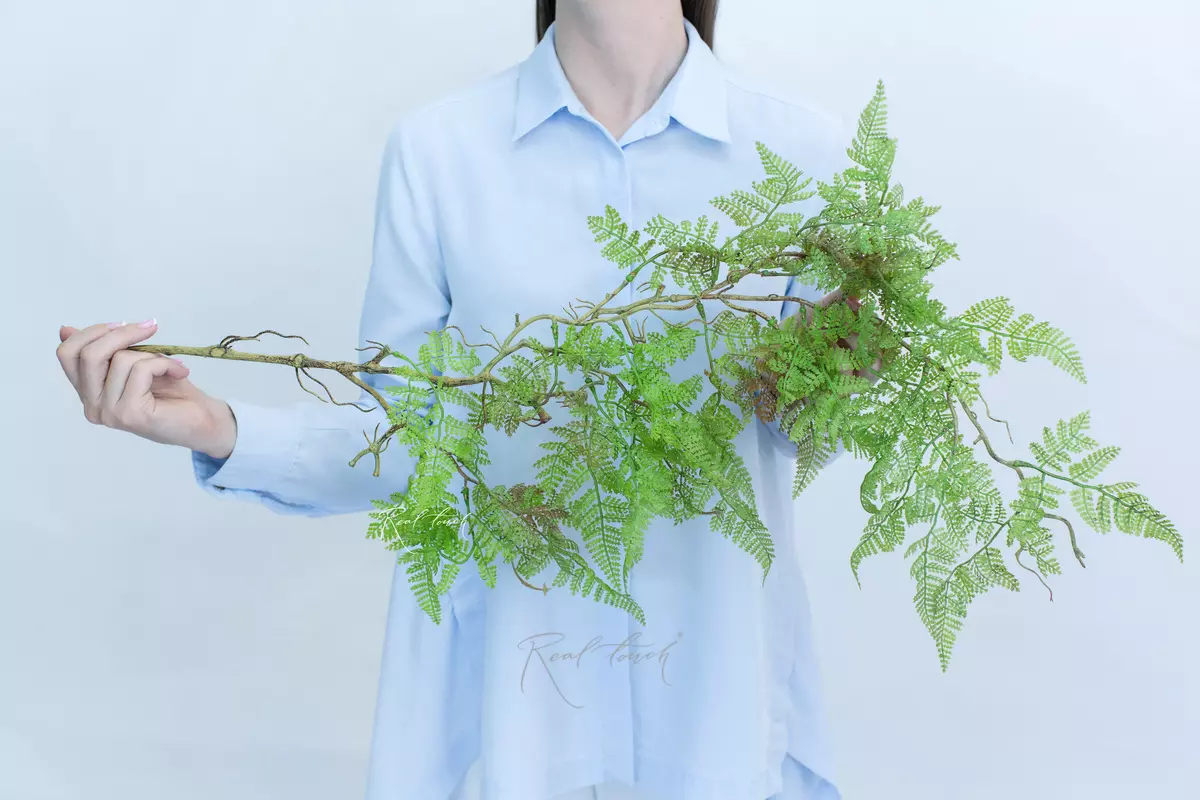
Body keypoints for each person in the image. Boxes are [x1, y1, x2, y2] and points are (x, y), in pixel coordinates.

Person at [56, 1, 865, 797]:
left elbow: (799, 430)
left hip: (718, 707)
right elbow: (408, 443)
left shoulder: (806, 152)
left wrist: (843, 380)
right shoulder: (440, 153)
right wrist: (218, 428)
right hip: (512, 715)